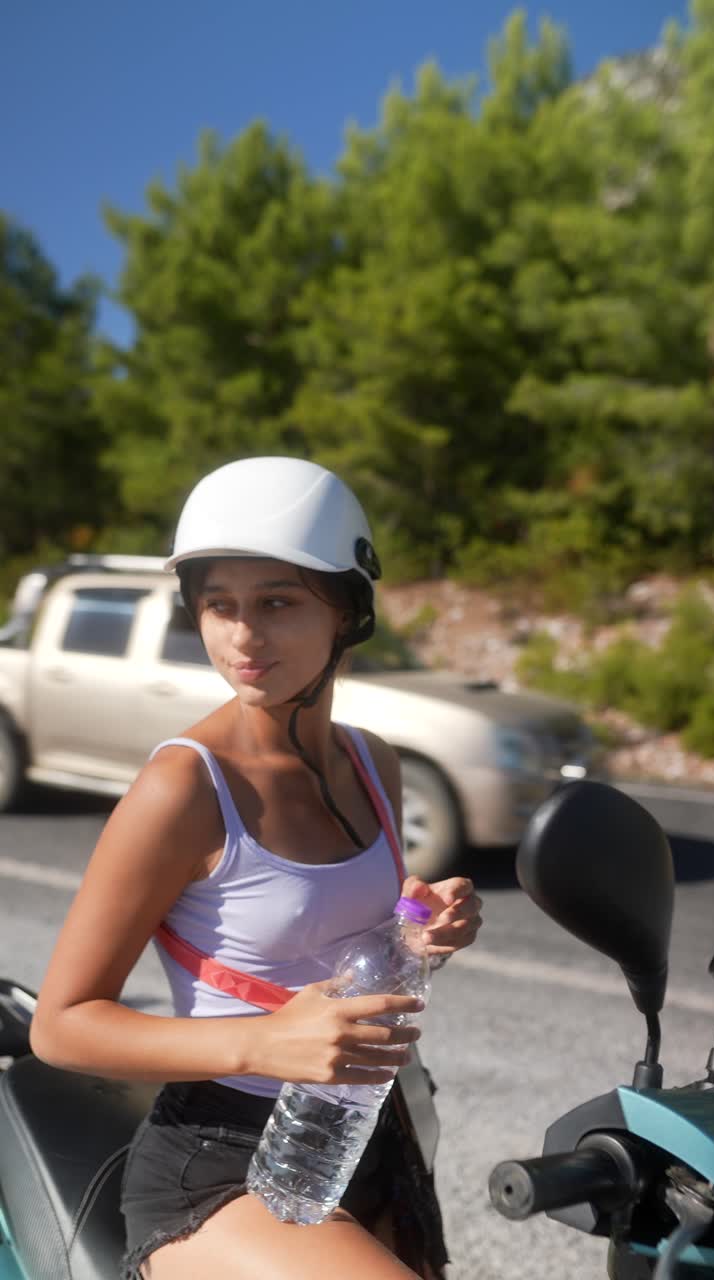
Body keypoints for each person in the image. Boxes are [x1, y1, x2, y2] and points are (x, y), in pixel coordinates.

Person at [30, 456, 482, 1280]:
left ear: (347, 611)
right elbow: (61, 1026)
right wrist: (264, 1043)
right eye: (219, 605)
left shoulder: (373, 764)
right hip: (218, 1163)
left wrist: (423, 933)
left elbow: (326, 948)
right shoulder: (185, 787)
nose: (243, 636)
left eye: (277, 602)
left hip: (360, 1130)